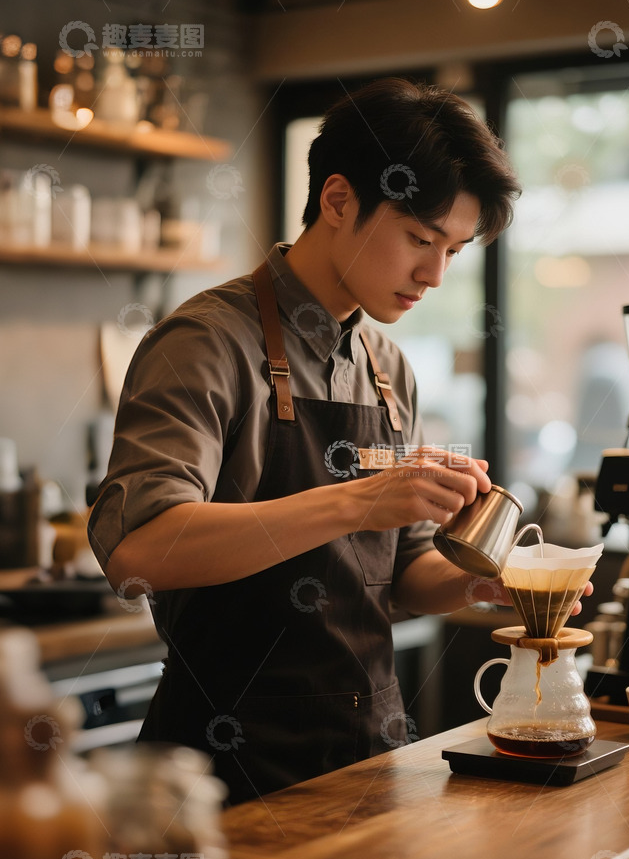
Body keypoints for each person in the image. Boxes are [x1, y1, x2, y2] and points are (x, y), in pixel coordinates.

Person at [89, 77, 589, 804]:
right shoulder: (205, 342)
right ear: (337, 200)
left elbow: (405, 571)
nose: (435, 274)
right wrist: (354, 500)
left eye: (453, 249)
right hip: (225, 764)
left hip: (367, 758)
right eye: (420, 238)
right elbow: (137, 550)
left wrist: (480, 584)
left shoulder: (387, 370)